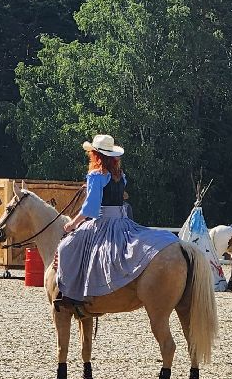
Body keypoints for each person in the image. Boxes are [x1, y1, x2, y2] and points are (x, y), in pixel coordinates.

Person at [53, 134, 178, 314]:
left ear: (96, 155)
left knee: (67, 246)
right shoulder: (120, 175)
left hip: (103, 223)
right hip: (123, 222)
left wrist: (73, 223)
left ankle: (71, 296)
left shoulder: (96, 175)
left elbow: (91, 208)